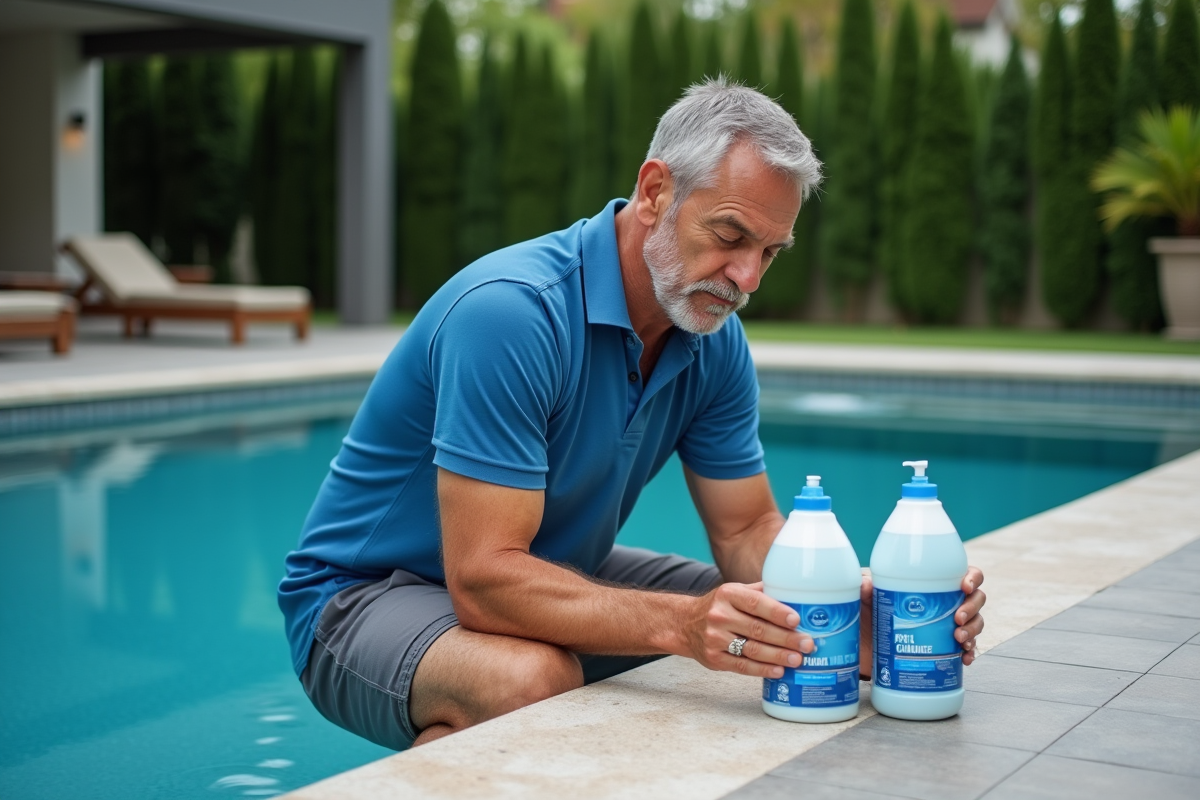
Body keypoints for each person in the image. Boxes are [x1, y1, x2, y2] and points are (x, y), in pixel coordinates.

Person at [278, 79, 986, 750]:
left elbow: (744, 528)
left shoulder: (713, 342)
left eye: (769, 252)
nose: (748, 279)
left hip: (548, 568)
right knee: (531, 682)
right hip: (364, 599)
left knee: (798, 622)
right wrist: (681, 627)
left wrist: (849, 597)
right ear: (655, 192)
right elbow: (485, 578)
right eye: (731, 235)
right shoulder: (511, 314)